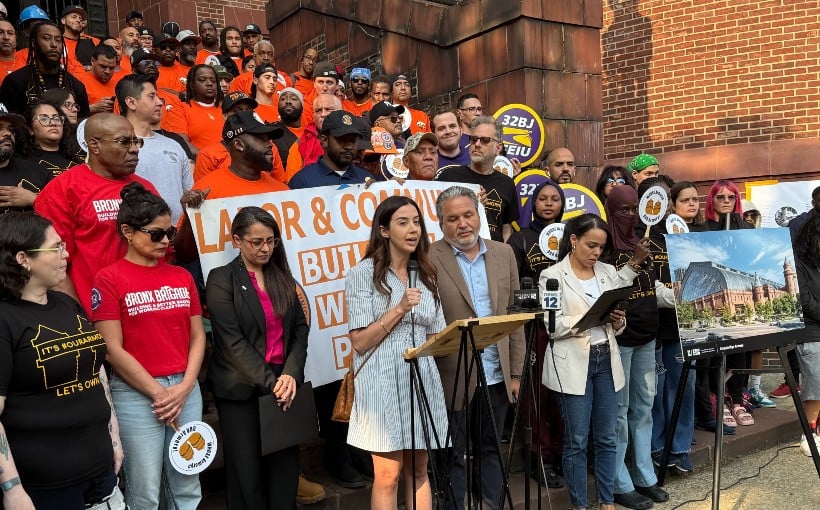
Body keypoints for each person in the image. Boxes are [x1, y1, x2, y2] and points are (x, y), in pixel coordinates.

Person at [0, 212, 123, 510]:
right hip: (45, 487)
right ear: (23, 259)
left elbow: (96, 372)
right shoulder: (5, 320)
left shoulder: (67, 304)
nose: (65, 254)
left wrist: (114, 439)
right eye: (56, 247)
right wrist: (12, 489)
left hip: (101, 472)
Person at [91, 182, 203, 509]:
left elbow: (198, 336)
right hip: (136, 394)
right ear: (127, 232)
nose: (166, 241)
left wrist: (185, 386)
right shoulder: (109, 279)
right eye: (156, 234)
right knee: (145, 491)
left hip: (185, 387)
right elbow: (111, 348)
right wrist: (159, 393)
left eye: (169, 232)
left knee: (188, 482)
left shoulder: (182, 277)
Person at [346, 196, 448, 510]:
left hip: (422, 378)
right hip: (382, 381)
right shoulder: (363, 273)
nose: (413, 229)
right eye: (403, 223)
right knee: (388, 474)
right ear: (384, 230)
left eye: (416, 222)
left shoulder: (427, 274)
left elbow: (435, 336)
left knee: (419, 469)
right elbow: (360, 342)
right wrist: (400, 308)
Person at [205, 206, 308, 509]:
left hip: (284, 383)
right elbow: (232, 342)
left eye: (271, 241)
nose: (266, 249)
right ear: (237, 240)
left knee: (284, 469)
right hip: (242, 390)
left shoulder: (281, 276)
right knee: (246, 474)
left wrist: (290, 374)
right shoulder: (221, 279)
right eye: (257, 242)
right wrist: (273, 383)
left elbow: (300, 329)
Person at [539, 213, 642, 510]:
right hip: (572, 363)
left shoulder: (608, 272)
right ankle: (580, 505)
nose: (596, 252)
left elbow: (616, 325)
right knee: (577, 440)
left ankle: (607, 501)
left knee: (608, 436)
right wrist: (591, 317)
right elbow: (551, 325)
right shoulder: (551, 276)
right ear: (573, 240)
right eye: (591, 245)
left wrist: (617, 321)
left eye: (601, 247)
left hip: (605, 359)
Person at [431, 186, 525, 510]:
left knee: (491, 446)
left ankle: (489, 504)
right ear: (441, 223)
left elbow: (514, 316)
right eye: (452, 218)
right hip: (451, 374)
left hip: (496, 373)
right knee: (452, 450)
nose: (462, 224)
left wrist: (516, 373)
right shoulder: (428, 257)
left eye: (468, 215)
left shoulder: (504, 253)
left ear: (479, 215)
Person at [33, 113, 159, 315]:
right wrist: (81, 319)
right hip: (95, 312)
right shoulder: (63, 190)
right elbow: (53, 264)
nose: (134, 149)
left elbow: (164, 252)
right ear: (94, 145)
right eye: (124, 142)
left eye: (136, 142)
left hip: (148, 307)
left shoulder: (145, 188)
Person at [604, 184, 669, 509]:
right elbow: (607, 291)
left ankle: (645, 476)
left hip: (648, 336)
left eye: (634, 209)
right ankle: (619, 482)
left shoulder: (644, 241)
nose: (630, 216)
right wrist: (633, 261)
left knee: (644, 409)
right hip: (620, 340)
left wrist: (680, 295)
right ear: (611, 211)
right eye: (623, 210)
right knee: (619, 412)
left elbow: (653, 289)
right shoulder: (606, 247)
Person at [506, 180, 566, 488]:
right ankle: (538, 457)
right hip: (535, 327)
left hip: (567, 326)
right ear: (533, 203)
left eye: (555, 198)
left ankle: (561, 453)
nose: (549, 203)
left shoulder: (570, 235)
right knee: (537, 395)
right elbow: (513, 284)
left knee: (563, 394)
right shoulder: (521, 238)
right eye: (543, 198)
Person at [702, 179, 755, 428]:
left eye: (730, 197)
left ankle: (736, 400)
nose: (726, 201)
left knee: (739, 353)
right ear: (711, 200)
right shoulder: (703, 229)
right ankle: (719, 401)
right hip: (715, 294)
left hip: (739, 291)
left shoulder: (746, 227)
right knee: (716, 354)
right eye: (720, 197)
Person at [117, 74, 193, 225]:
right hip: (137, 232)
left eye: (158, 97)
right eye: (152, 96)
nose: (160, 103)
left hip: (177, 234)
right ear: (131, 103)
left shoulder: (174, 145)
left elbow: (189, 193)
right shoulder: (116, 146)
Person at [436, 116, 519, 242]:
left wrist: (504, 252)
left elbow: (506, 228)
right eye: (474, 139)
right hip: (456, 249)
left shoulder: (507, 183)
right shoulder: (449, 176)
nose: (477, 144)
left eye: (485, 140)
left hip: (494, 251)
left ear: (498, 148)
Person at [0, 21, 91, 118]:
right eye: (46, 38)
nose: (54, 44)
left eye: (58, 40)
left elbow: (83, 122)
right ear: (34, 43)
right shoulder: (15, 81)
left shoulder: (76, 86)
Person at [792, 213, 820, 456]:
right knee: (815, 384)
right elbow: (804, 301)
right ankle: (809, 435)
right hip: (811, 331)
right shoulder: (798, 262)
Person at [289, 110, 372, 190]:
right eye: (342, 139)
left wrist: (374, 189)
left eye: (353, 140)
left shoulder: (366, 179)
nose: (349, 146)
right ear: (324, 141)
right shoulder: (302, 181)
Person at [0, 103, 52, 214]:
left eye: (10, 129)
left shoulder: (38, 172)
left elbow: (63, 212)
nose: (8, 133)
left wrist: (33, 200)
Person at [163, 64, 223, 156]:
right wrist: (210, 159)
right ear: (192, 85)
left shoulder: (225, 109)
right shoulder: (180, 109)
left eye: (213, 81)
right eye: (202, 80)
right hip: (200, 162)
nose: (209, 83)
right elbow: (181, 144)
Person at [17, 99, 84, 177]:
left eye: (57, 119)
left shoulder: (77, 160)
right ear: (30, 129)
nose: (53, 123)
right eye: (44, 119)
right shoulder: (22, 162)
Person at [85, 44, 118, 114]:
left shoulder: (118, 83)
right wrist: (93, 108)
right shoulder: (79, 80)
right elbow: (70, 111)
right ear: (92, 61)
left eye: (112, 68)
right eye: (103, 66)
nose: (107, 71)